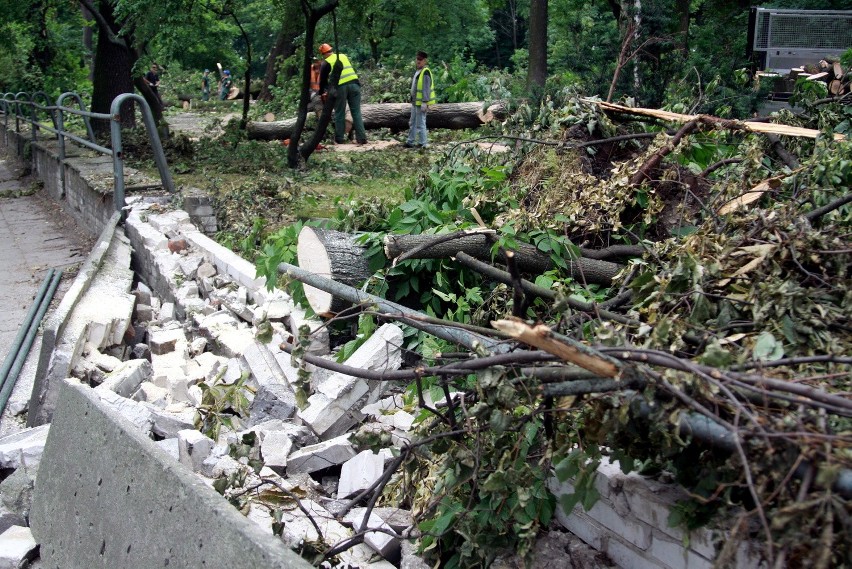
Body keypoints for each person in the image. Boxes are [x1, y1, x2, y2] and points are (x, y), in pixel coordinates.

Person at [317, 43, 367, 145]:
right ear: (331, 50)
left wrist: (322, 92)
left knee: (340, 112)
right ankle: (362, 138)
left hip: (341, 87)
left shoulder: (326, 62)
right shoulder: (342, 56)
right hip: (355, 85)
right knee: (356, 112)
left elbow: (322, 80)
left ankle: (339, 138)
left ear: (324, 54)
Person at [404, 51, 435, 149]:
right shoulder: (418, 71)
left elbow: (426, 88)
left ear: (425, 61)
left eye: (420, 60)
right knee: (412, 122)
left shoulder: (425, 72)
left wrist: (425, 102)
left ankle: (423, 143)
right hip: (415, 102)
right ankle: (410, 141)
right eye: (417, 59)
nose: (418, 61)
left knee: (420, 123)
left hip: (421, 103)